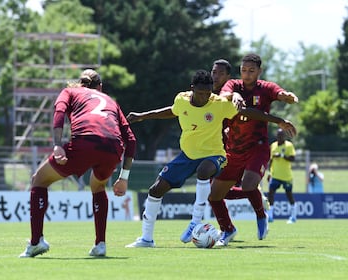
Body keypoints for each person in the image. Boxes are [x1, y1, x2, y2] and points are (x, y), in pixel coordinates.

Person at [124, 69, 296, 248]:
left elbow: (248, 112)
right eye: (200, 93)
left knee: (204, 171)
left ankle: (195, 222)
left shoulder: (218, 103)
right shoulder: (181, 99)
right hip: (188, 155)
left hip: (216, 156)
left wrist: (278, 121)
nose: (204, 97)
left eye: (208, 93)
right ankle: (146, 239)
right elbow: (172, 111)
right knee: (155, 189)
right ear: (192, 89)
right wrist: (142, 116)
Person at [19, 69, 136, 258]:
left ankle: (36, 242)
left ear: (80, 83)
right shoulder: (110, 101)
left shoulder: (70, 91)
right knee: (97, 185)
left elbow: (59, 113)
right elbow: (130, 140)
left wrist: (58, 145)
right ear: (100, 87)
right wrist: (123, 177)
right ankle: (100, 244)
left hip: (85, 142)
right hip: (113, 148)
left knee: (39, 180)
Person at [209, 53, 299, 246]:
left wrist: (286, 97)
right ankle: (228, 229)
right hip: (233, 150)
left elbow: (279, 92)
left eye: (251, 71)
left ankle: (261, 215)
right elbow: (224, 94)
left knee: (249, 184)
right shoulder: (233, 85)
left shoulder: (265, 88)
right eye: (243, 70)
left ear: (259, 71)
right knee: (214, 196)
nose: (246, 74)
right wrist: (235, 95)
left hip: (257, 147)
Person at [266, 128, 297, 223]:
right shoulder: (273, 145)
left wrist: (282, 156)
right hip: (275, 175)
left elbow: (293, 158)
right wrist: (269, 173)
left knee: (289, 195)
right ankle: (270, 216)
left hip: (286, 176)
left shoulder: (289, 145)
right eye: (279, 136)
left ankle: (293, 216)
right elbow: (271, 160)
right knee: (271, 193)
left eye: (282, 135)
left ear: (284, 136)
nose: (280, 137)